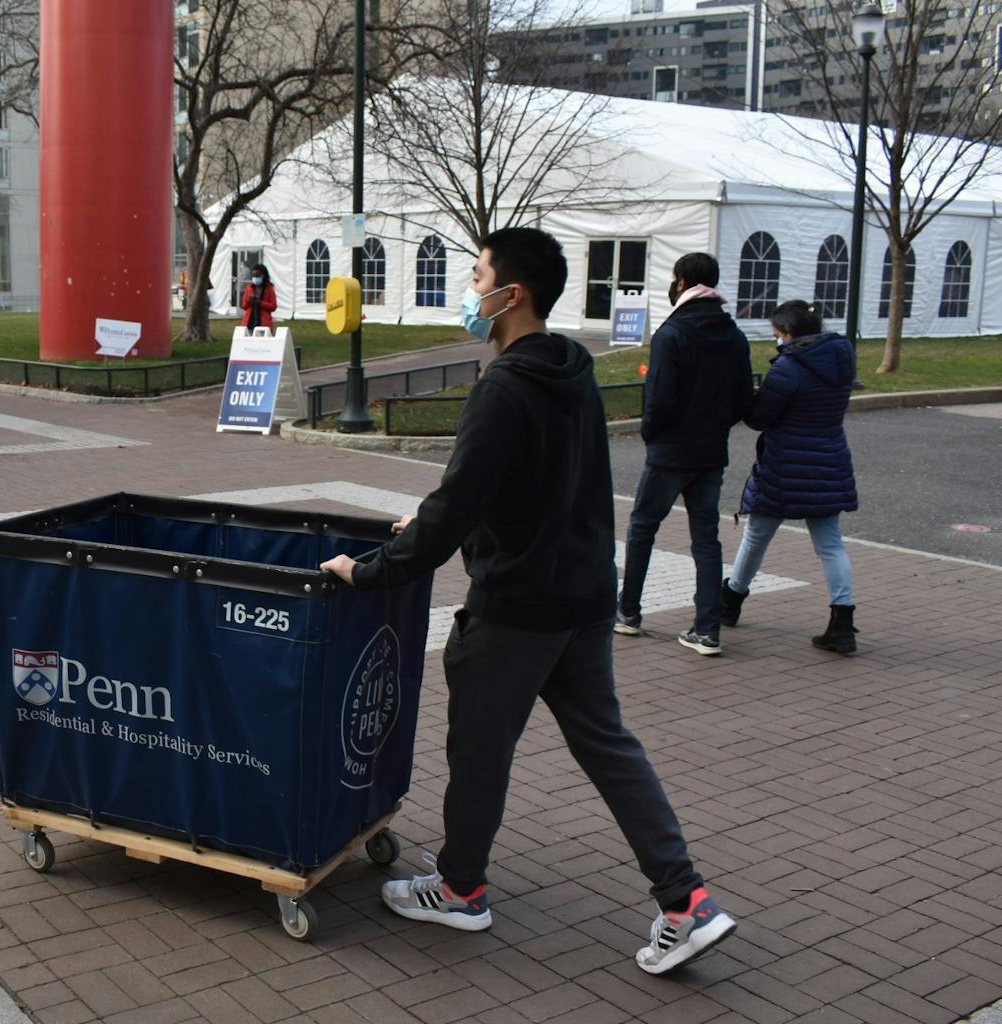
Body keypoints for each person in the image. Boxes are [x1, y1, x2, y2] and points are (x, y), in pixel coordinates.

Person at [319, 228, 736, 976]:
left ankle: (461, 887)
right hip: (581, 596)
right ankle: (685, 899)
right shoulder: (570, 367)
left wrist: (370, 570)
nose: (468, 289)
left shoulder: (503, 389)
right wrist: (452, 516)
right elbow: (527, 483)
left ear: (510, 294)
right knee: (608, 745)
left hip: (516, 606)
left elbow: (452, 512)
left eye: (477, 275)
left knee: (478, 750)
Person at [614, 253, 754, 657]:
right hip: (710, 452)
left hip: (669, 452)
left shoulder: (671, 333)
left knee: (642, 529)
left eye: (675, 278)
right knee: (705, 540)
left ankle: (628, 613)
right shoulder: (734, 335)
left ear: (683, 282)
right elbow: (743, 399)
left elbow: (658, 398)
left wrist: (649, 433)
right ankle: (707, 629)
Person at [723, 300, 860, 655]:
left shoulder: (788, 367)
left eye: (777, 335)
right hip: (829, 460)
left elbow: (760, 418)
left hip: (785, 465)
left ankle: (731, 600)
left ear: (788, 333)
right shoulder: (841, 359)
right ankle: (842, 623)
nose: (777, 342)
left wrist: (750, 398)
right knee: (830, 543)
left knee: (756, 535)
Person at [240, 264, 276, 330]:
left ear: (263, 276)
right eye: (253, 276)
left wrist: (260, 303)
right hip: (249, 322)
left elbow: (273, 306)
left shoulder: (269, 289)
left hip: (264, 323)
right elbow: (244, 306)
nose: (255, 278)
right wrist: (249, 301)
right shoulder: (249, 288)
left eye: (257, 276)